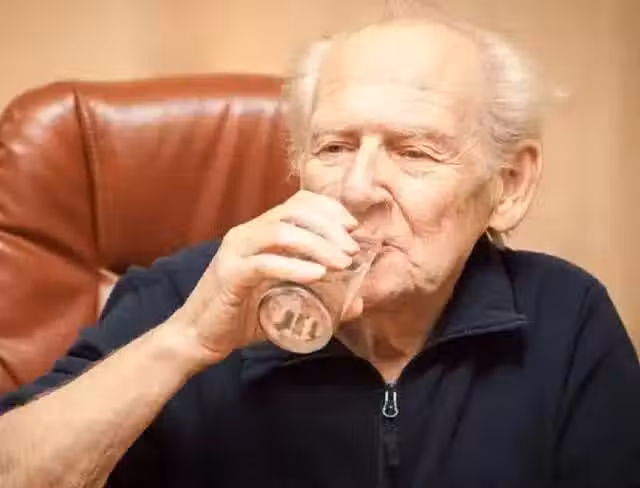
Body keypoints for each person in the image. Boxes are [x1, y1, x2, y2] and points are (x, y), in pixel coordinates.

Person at [1, 12, 639, 488]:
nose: (357, 188)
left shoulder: (566, 317)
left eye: (414, 152)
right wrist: (187, 341)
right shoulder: (180, 295)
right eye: (334, 147)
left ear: (509, 185)